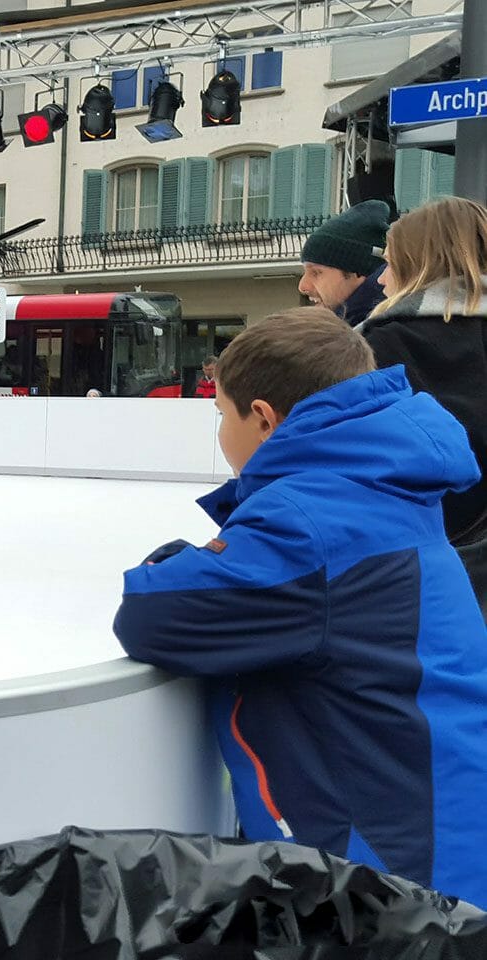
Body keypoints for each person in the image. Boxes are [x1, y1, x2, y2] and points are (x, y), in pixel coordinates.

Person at [113, 307, 487, 908]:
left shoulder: (310, 517)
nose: (220, 433)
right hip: (451, 820)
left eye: (220, 415)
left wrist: (173, 559)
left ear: (262, 418)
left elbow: (156, 616)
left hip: (405, 878)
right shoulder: (380, 482)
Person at [362, 196, 487, 617]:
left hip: (407, 587)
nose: (381, 280)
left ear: (420, 266)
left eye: (392, 263)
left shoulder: (370, 350)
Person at [297, 199, 391, 327]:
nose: (303, 286)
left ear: (357, 273)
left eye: (316, 272)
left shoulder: (379, 336)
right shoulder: (364, 327)